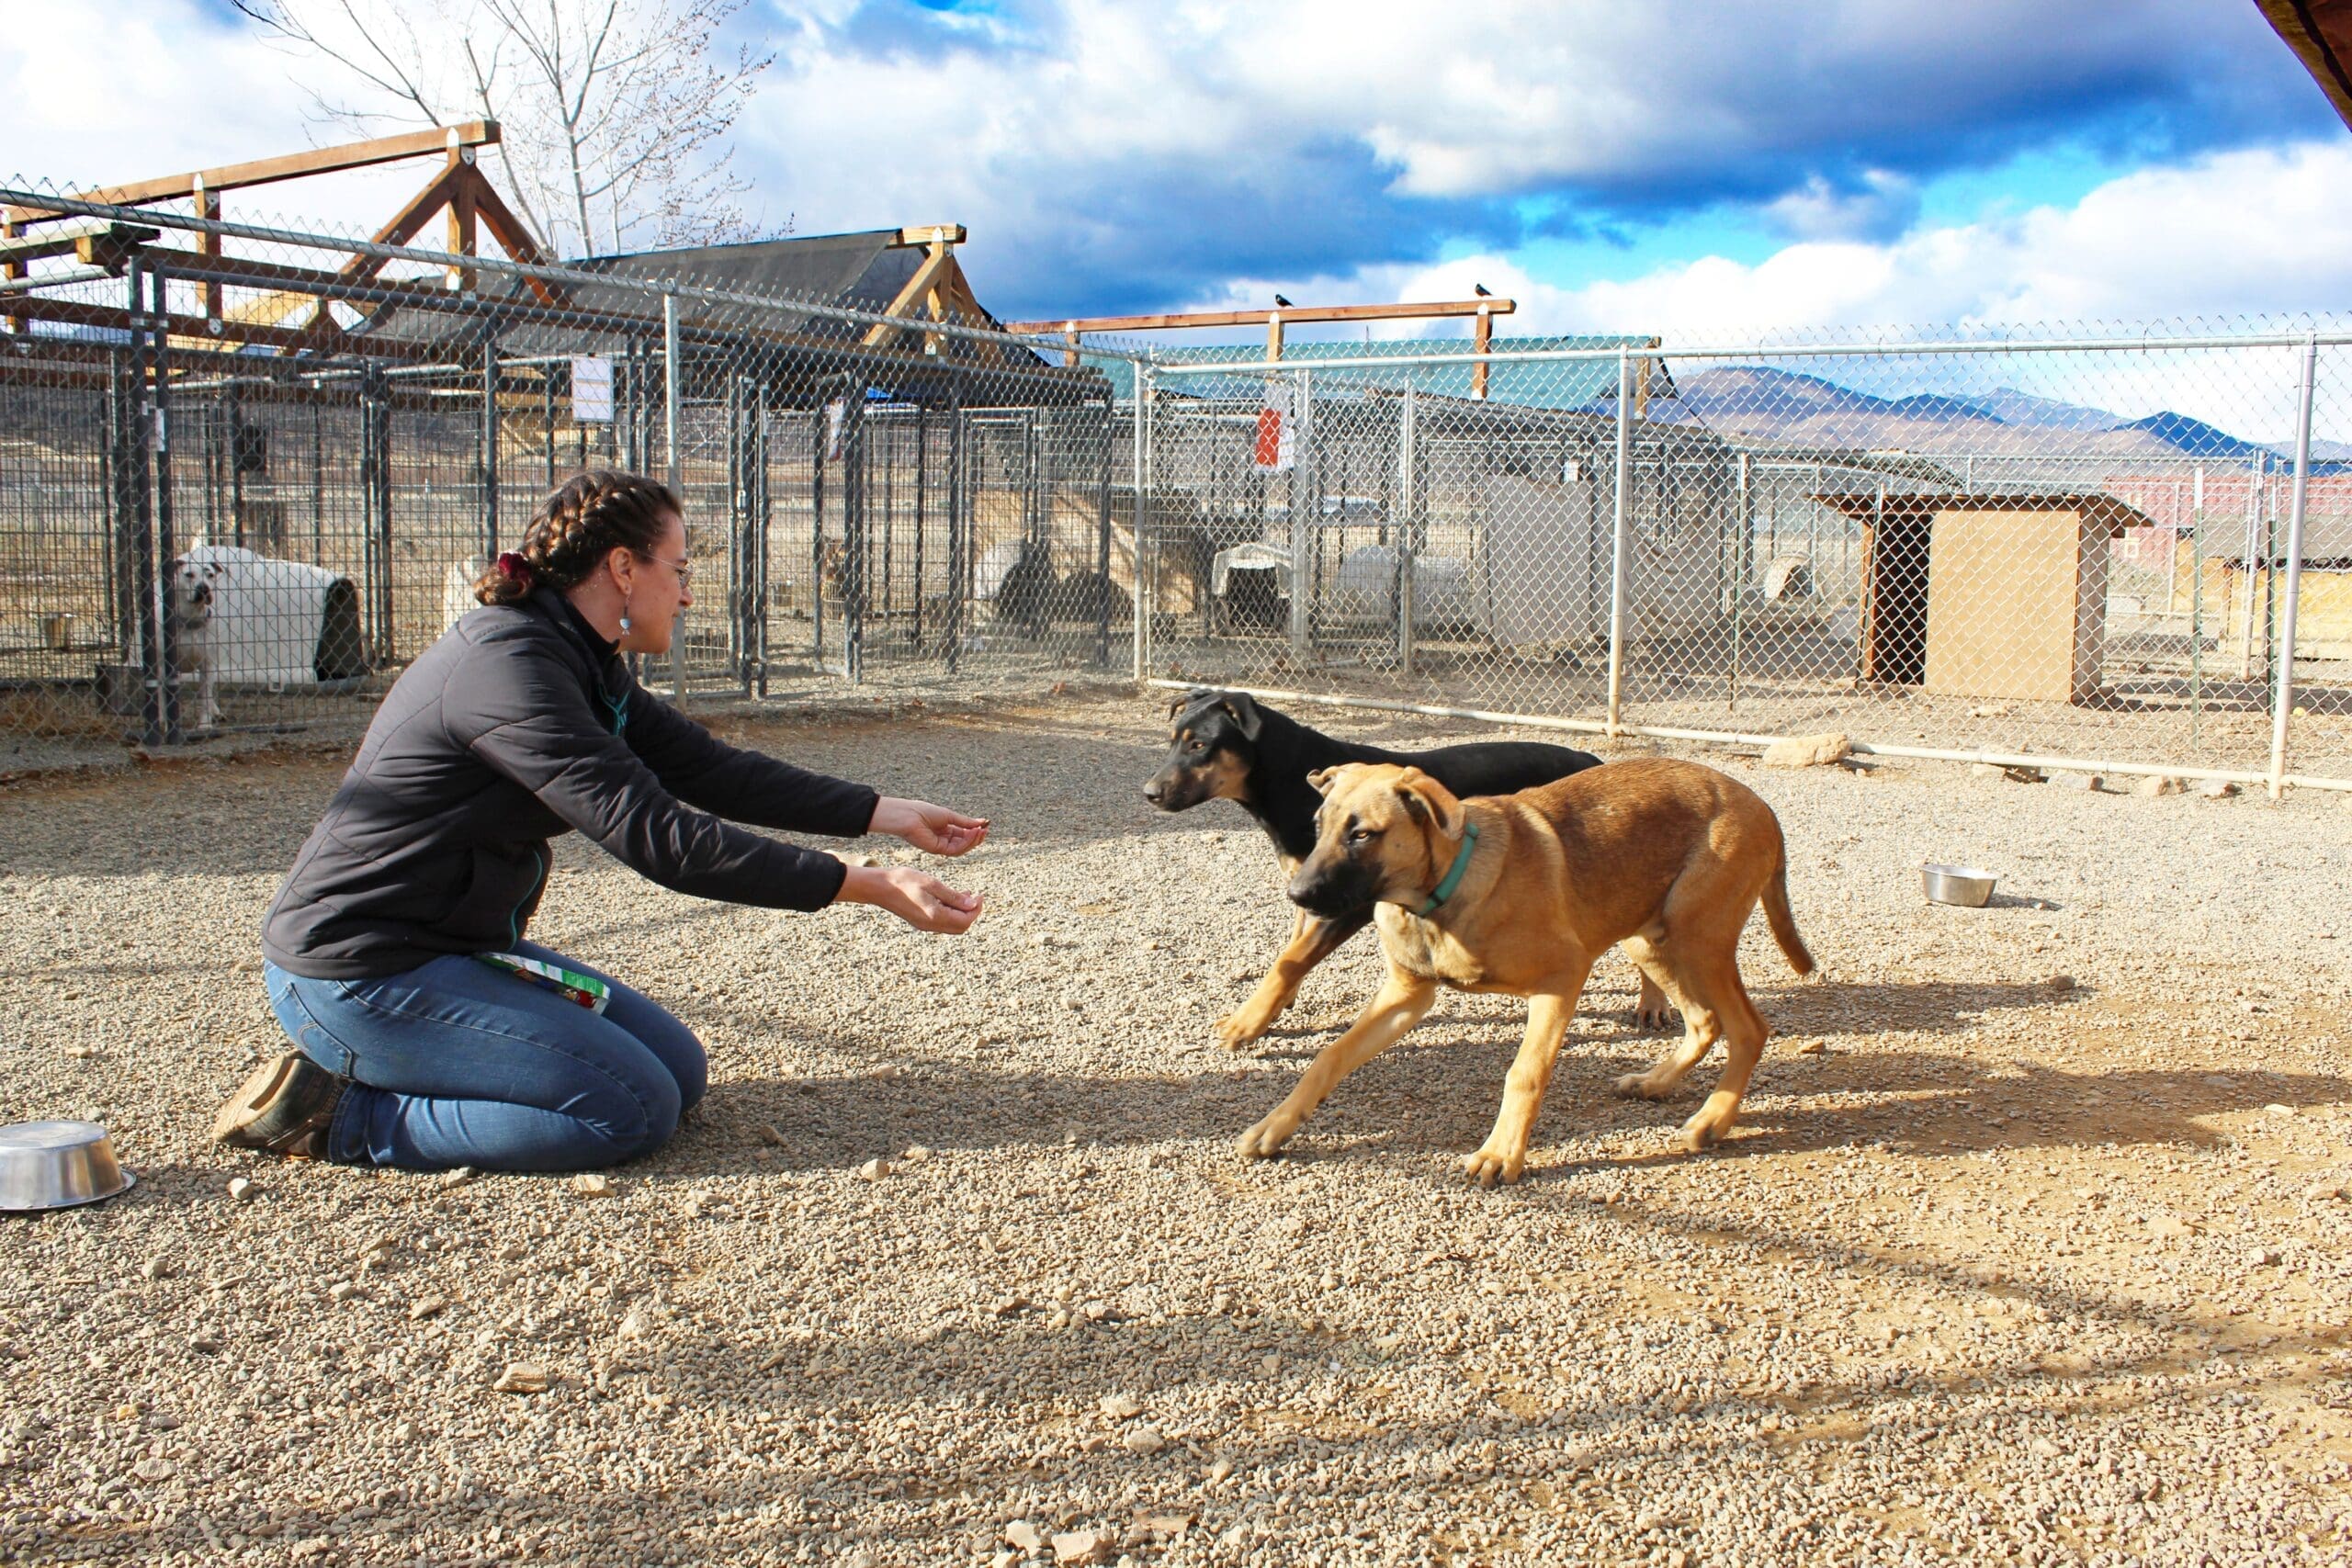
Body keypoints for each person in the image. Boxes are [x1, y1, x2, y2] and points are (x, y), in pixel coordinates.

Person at [217, 470, 987, 1172]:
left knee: (678, 1070)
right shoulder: (511, 671)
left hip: (453, 948)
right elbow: (662, 837)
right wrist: (869, 884)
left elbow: (705, 768)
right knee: (625, 1109)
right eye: (679, 571)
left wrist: (883, 813)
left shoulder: (575, 655)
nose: (687, 596)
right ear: (623, 568)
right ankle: (341, 1115)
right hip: (358, 971)